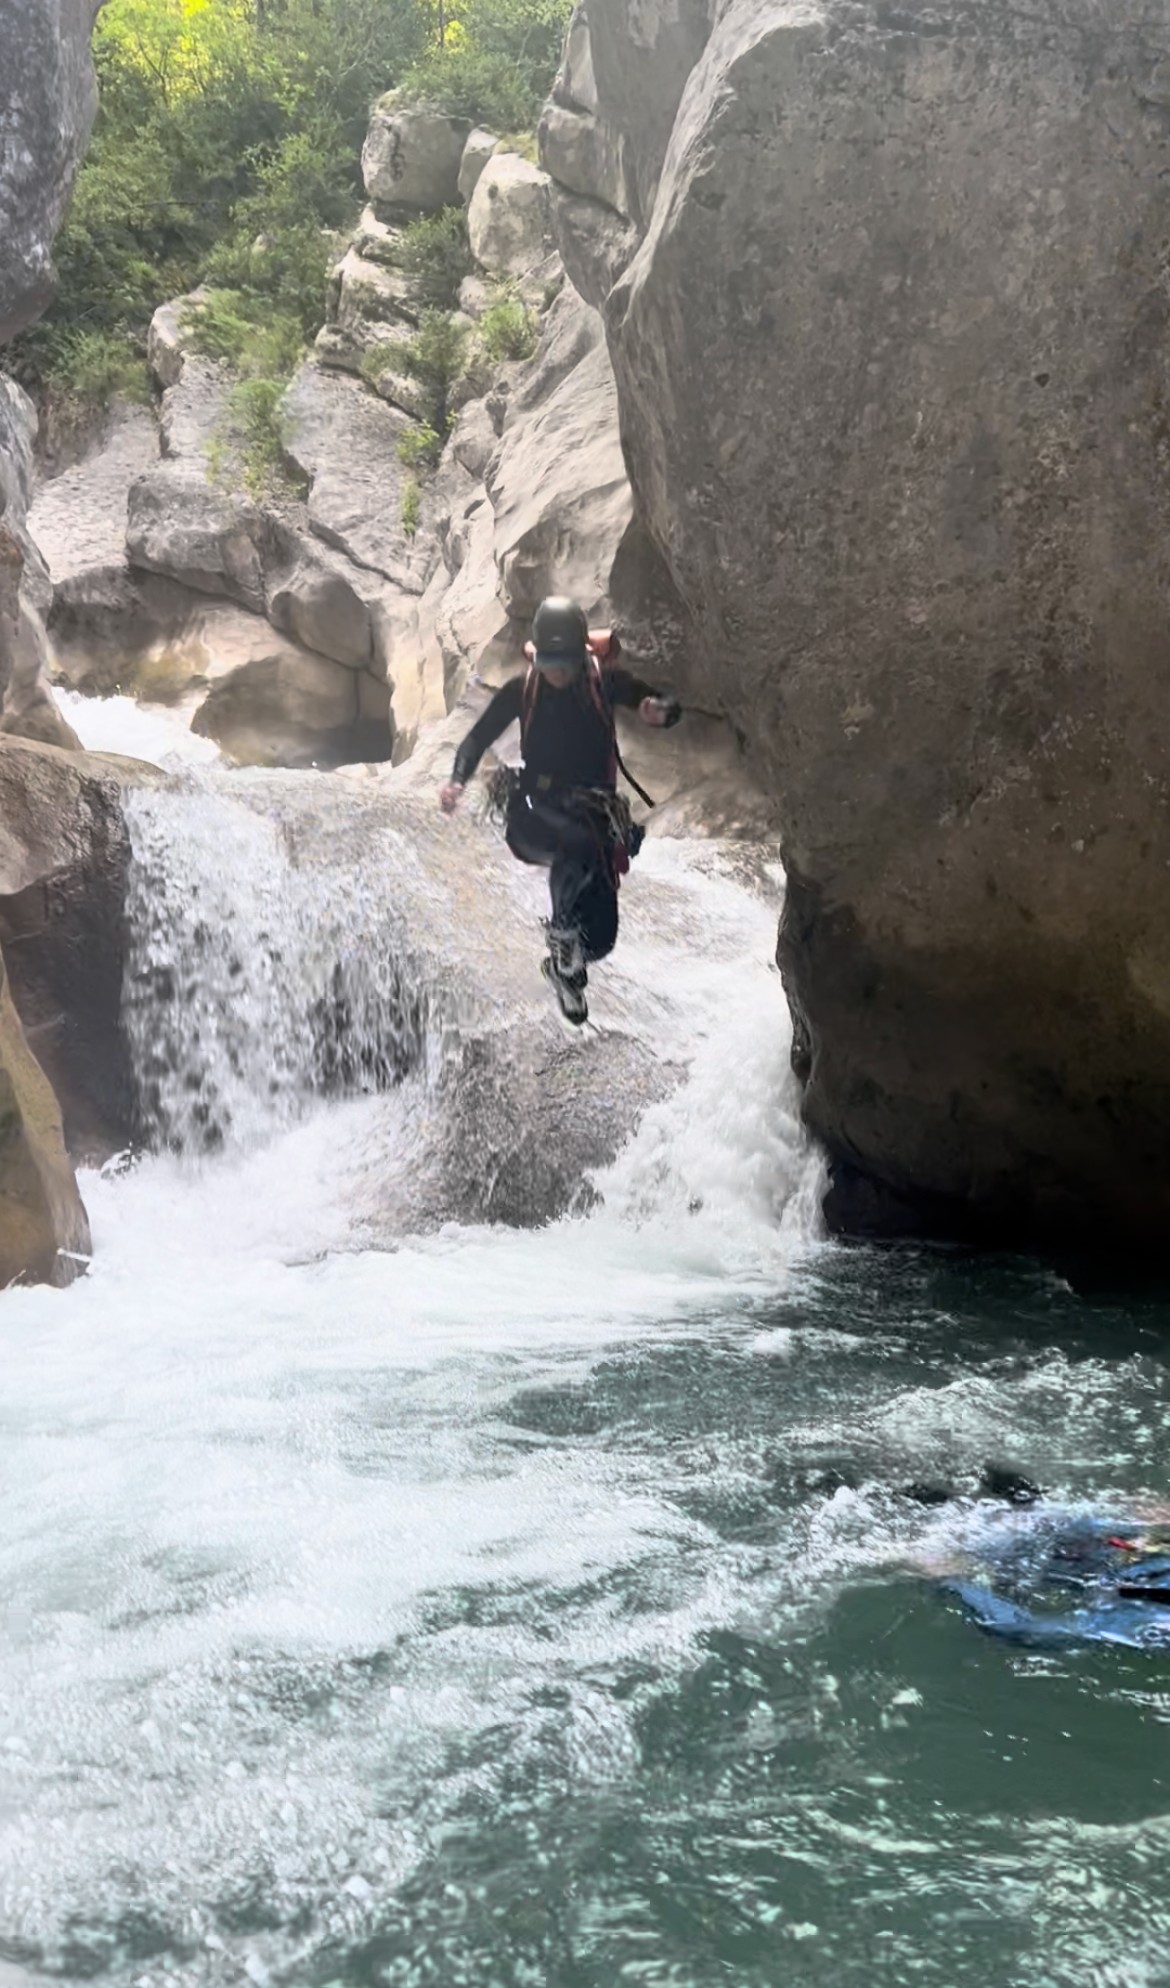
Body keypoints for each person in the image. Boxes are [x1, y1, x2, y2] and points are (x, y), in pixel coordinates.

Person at [440, 596, 681, 1024]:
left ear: (580, 656)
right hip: (534, 811)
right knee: (574, 841)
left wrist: (660, 711)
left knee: (602, 939)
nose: (556, 672)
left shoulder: (602, 684)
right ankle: (562, 936)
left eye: (564, 662)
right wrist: (457, 780)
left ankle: (564, 967)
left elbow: (658, 701)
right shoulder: (523, 690)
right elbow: (476, 739)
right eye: (550, 662)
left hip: (594, 814)